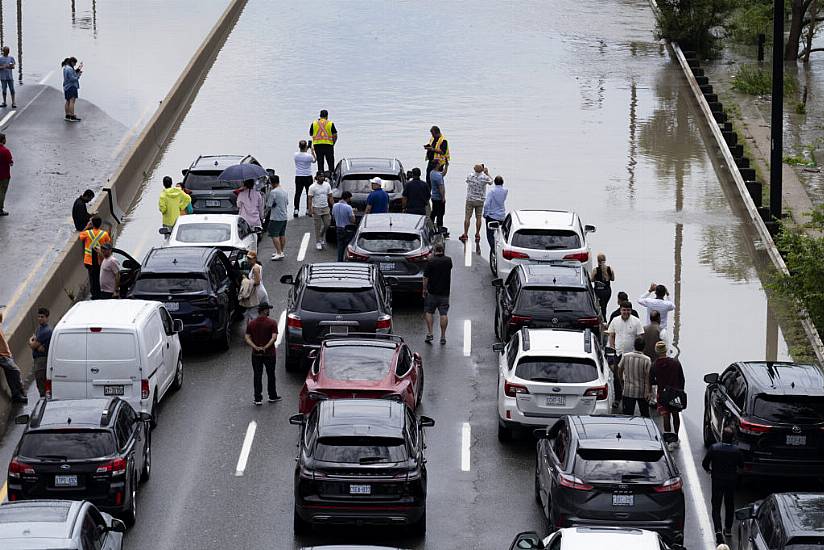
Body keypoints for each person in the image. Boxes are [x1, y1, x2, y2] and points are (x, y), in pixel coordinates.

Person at [702, 427, 743, 544]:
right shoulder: (736, 450)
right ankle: (728, 528)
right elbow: (741, 465)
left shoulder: (714, 448)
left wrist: (709, 470)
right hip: (730, 481)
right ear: (732, 438)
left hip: (717, 481)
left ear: (722, 435)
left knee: (716, 506)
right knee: (729, 504)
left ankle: (718, 531)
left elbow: (705, 463)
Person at [244, 302, 281, 406]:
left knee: (257, 375)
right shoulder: (272, 323)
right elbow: (274, 337)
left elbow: (247, 337)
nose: (269, 311)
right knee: (271, 375)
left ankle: (257, 398)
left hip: (256, 355)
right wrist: (266, 347)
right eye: (268, 309)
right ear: (264, 310)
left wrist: (255, 347)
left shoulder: (252, 324)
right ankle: (272, 396)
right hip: (269, 354)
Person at [651, 341, 685, 440]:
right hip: (675, 393)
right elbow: (682, 379)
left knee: (665, 415)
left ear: (656, 351)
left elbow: (651, 380)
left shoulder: (655, 365)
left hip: (662, 393)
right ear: (666, 350)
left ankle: (668, 436)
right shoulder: (675, 363)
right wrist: (680, 391)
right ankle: (676, 436)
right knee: (675, 414)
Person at [422, 243, 452, 345]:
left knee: (429, 312)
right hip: (444, 293)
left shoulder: (431, 262)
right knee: (443, 314)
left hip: (432, 293)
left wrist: (424, 289)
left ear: (434, 250)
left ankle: (430, 333)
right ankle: (443, 336)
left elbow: (426, 278)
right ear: (443, 250)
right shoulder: (448, 260)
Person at [617, 337, 651, 417]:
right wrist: (648, 392)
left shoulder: (625, 356)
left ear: (634, 345)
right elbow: (648, 377)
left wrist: (622, 381)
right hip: (642, 392)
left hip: (628, 390)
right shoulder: (647, 360)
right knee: (645, 416)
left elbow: (619, 370)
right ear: (644, 347)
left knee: (627, 416)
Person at [79, 216, 111, 300]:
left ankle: (94, 294)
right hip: (100, 259)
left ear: (92, 224)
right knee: (101, 276)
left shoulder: (87, 233)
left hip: (89, 261)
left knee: (92, 278)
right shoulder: (104, 234)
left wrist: (87, 226)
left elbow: (80, 236)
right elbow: (108, 244)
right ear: (100, 224)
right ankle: (101, 293)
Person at [0, 307, 27, 404]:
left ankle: (16, 395)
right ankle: (21, 391)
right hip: (2, 354)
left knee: (10, 374)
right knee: (15, 371)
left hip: (5, 352)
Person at [460, 164, 492, 243]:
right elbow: (491, 181)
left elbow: (467, 181)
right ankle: (477, 234)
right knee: (478, 218)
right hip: (480, 200)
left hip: (470, 199)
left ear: (474, 169)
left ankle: (465, 233)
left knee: (467, 217)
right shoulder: (484, 177)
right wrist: (487, 173)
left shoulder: (470, 176)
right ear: (482, 170)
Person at [28, 307, 51, 398]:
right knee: (39, 381)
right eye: (39, 317)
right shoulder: (39, 329)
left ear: (47, 318)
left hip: (42, 361)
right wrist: (36, 344)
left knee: (41, 382)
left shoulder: (46, 331)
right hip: (38, 359)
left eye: (42, 317)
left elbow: (33, 344)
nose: (40, 319)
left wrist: (31, 341)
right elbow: (36, 345)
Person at [266, 174, 288, 260]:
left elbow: (269, 205)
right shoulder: (284, 191)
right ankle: (281, 251)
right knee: (282, 234)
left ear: (272, 183)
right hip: (284, 216)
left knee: (274, 235)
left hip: (276, 217)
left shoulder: (273, 192)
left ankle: (279, 252)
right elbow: (287, 202)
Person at [308, 173, 332, 250]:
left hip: (325, 207)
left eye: (323, 176)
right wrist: (310, 209)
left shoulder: (327, 185)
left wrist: (333, 206)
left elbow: (330, 196)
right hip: (316, 208)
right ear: (317, 177)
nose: (322, 178)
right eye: (321, 176)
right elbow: (310, 198)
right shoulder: (312, 187)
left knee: (327, 224)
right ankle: (318, 241)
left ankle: (321, 236)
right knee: (317, 226)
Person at [483, 176, 508, 249]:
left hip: (492, 216)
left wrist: (485, 214)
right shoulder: (505, 191)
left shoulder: (492, 192)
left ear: (494, 182)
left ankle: (494, 251)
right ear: (502, 182)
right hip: (501, 217)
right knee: (501, 235)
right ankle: (500, 248)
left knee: (490, 235)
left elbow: (487, 204)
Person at [310, 110, 337, 174]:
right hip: (328, 145)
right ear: (327, 116)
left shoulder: (314, 123)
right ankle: (332, 176)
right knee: (330, 162)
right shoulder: (330, 123)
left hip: (317, 145)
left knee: (320, 163)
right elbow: (335, 135)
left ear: (320, 115)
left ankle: (320, 177)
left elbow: (311, 134)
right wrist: (333, 143)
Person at [293, 140, 316, 217]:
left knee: (298, 193)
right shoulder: (309, 156)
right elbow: (314, 160)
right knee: (308, 193)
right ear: (306, 146)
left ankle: (296, 210)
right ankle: (307, 209)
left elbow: (302, 153)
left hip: (299, 176)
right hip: (308, 176)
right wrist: (312, 150)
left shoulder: (296, 155)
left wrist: (306, 149)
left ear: (299, 146)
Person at [244, 251, 268, 321]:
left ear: (255, 258)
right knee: (260, 311)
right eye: (247, 258)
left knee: (253, 312)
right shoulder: (257, 266)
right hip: (259, 291)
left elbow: (257, 282)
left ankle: (255, 328)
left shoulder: (256, 268)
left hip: (257, 292)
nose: (248, 260)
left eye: (250, 258)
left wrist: (246, 282)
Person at [332, 191, 355, 262]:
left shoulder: (335, 206)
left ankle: (339, 260)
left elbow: (333, 216)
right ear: (347, 198)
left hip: (338, 228)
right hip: (347, 229)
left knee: (340, 246)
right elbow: (352, 220)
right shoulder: (348, 207)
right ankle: (348, 260)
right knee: (349, 245)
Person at [591, 253, 614, 319]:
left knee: (600, 306)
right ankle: (604, 318)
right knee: (604, 306)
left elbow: (592, 280)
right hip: (607, 291)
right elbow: (612, 279)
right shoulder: (610, 269)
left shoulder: (595, 270)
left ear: (598, 261)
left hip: (598, 291)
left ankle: (603, 319)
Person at [62, 57, 83, 122]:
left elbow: (72, 73)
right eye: (75, 63)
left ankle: (67, 115)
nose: (75, 65)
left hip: (66, 86)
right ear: (72, 62)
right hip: (72, 86)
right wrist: (79, 75)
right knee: (72, 101)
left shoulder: (65, 68)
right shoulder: (70, 69)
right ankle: (72, 116)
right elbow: (73, 79)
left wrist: (79, 68)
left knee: (68, 101)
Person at [0, 133, 12, 217]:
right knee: (1, 192)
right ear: (3, 140)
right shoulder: (5, 151)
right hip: (3, 175)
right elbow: (10, 162)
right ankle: (0, 209)